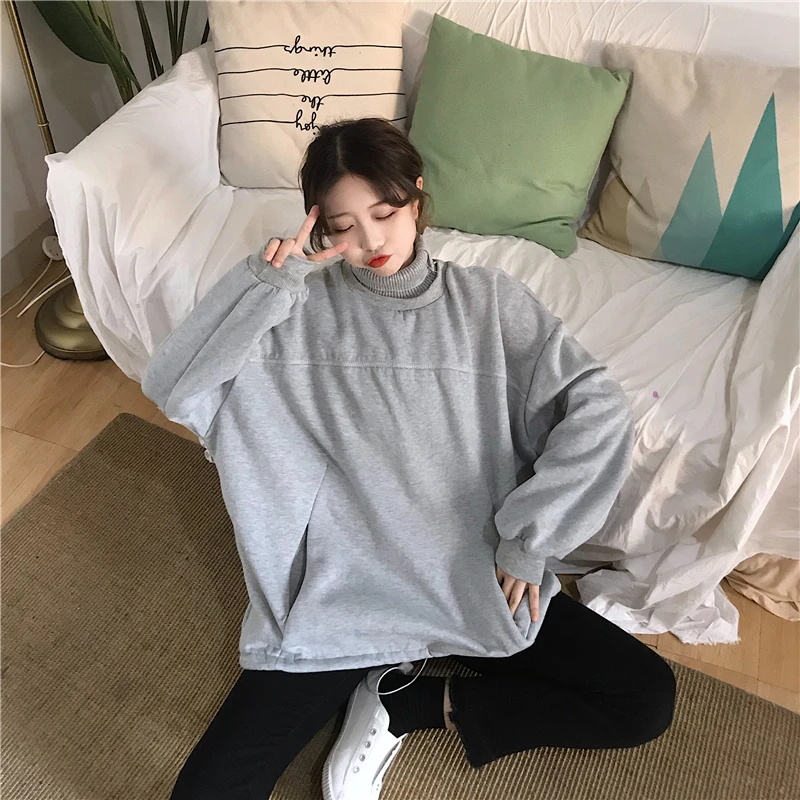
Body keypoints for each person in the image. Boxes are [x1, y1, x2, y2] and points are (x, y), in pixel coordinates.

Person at [142, 117, 676, 799]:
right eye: (343, 226)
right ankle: (377, 672)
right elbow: (175, 386)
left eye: (385, 214)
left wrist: (530, 540)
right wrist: (266, 283)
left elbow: (599, 409)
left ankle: (407, 703)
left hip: (471, 582)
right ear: (317, 224)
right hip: (343, 596)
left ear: (417, 199)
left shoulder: (489, 304)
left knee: (644, 697)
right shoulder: (288, 311)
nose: (370, 242)